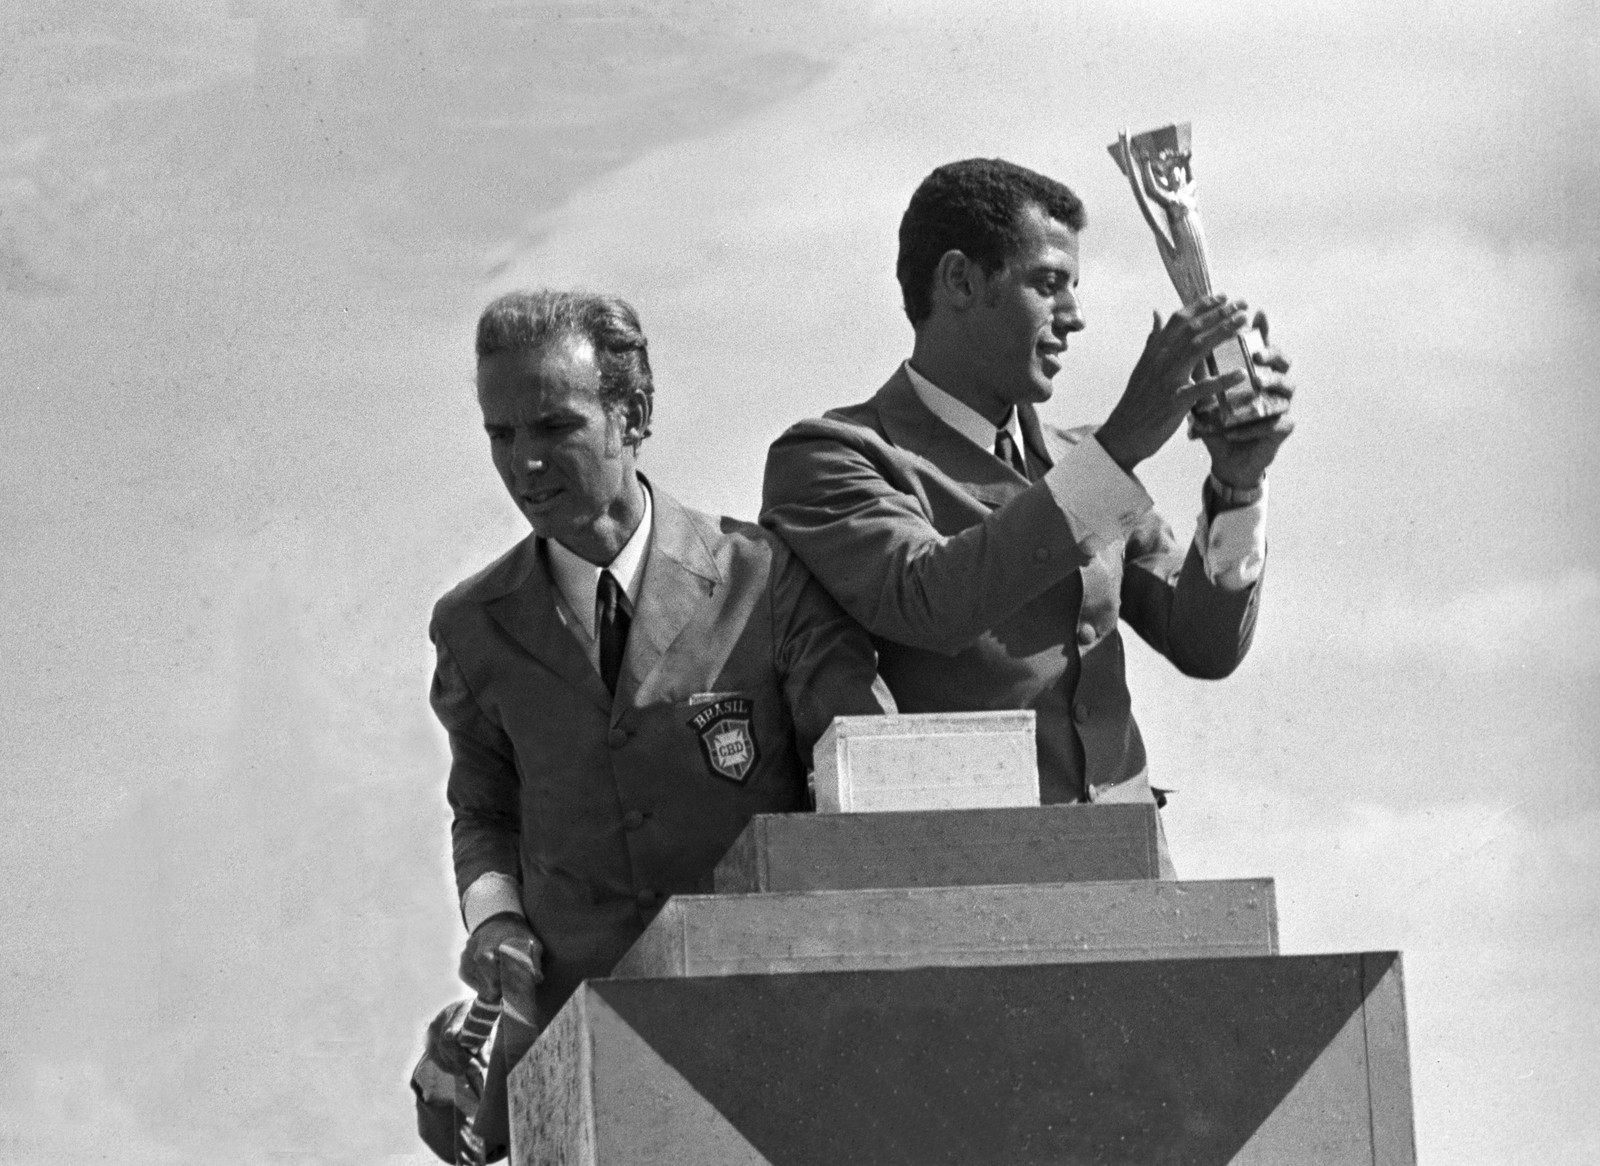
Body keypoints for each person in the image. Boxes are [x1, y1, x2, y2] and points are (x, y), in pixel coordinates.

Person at [760, 158, 1296, 874]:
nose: (1073, 317)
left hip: (1133, 879)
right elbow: (931, 600)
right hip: (960, 888)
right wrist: (1123, 443)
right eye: (1048, 284)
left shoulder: (1079, 464)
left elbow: (1203, 644)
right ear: (959, 281)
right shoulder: (833, 457)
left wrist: (1238, 483)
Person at [430, 289, 894, 1028]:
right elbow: (483, 810)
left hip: (769, 1018)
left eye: (555, 425)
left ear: (635, 415)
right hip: (579, 1034)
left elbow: (862, 779)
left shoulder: (767, 578)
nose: (527, 461)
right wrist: (494, 921)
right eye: (501, 434)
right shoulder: (470, 626)